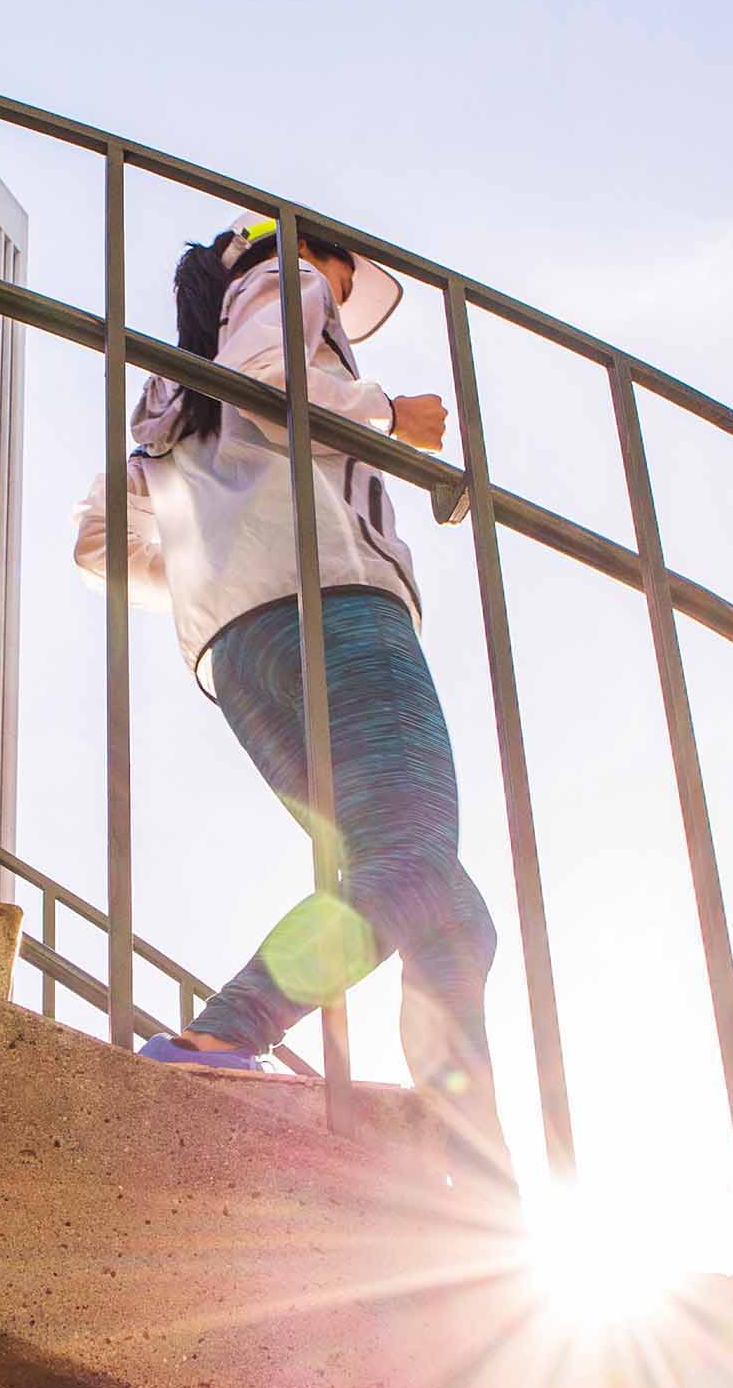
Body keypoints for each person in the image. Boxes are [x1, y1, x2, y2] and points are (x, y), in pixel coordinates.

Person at [73, 217, 506, 1181]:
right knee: (412, 859)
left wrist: (210, 574)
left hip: (236, 647)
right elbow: (277, 382)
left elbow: (98, 542)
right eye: (344, 284)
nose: (340, 303)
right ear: (319, 254)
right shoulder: (285, 277)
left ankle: (472, 1162)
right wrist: (393, 416)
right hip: (335, 607)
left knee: (451, 912)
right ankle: (224, 1037)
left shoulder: (170, 392)